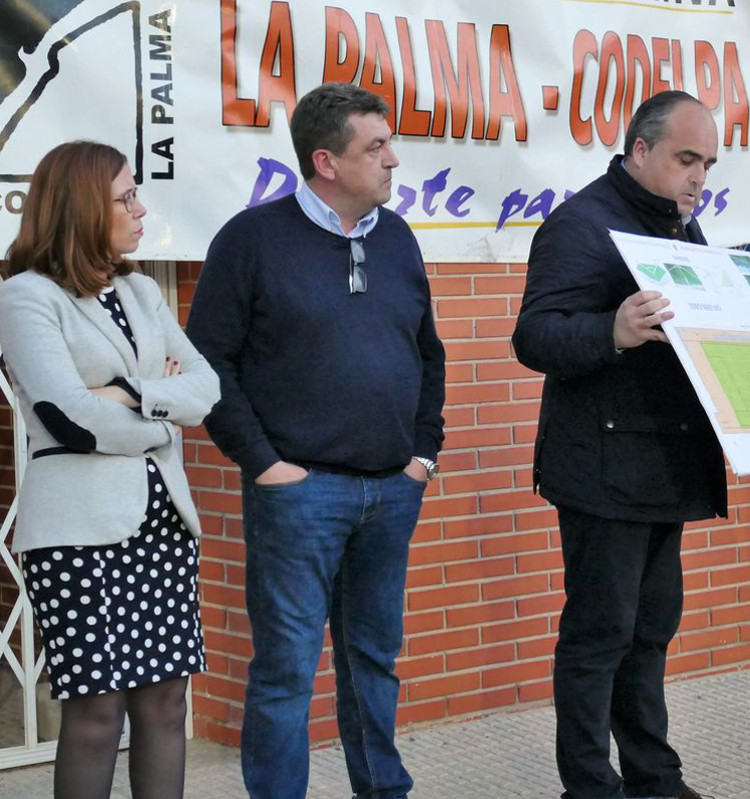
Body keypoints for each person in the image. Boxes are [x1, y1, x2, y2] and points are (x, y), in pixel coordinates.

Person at [185, 82, 445, 799]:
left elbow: (428, 353)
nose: (395, 159)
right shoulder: (252, 239)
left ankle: (381, 789)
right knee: (286, 669)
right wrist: (263, 463)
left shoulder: (395, 236)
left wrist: (423, 454)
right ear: (326, 162)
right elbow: (209, 361)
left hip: (392, 489)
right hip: (300, 494)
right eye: (378, 146)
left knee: (374, 659)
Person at [512, 90, 725, 799]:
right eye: (686, 158)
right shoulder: (580, 225)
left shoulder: (681, 229)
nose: (699, 176)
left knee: (652, 630)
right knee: (600, 634)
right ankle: (588, 783)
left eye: (709, 163)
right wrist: (610, 330)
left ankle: (653, 776)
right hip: (601, 470)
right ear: (640, 151)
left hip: (666, 464)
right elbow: (535, 335)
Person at [0, 141, 219, 799]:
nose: (140, 208)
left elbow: (205, 389)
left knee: (165, 706)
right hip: (76, 535)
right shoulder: (26, 297)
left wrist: (126, 391)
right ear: (83, 207)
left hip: (162, 524)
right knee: (97, 717)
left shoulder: (144, 289)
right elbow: (66, 417)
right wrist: (158, 402)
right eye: (125, 196)